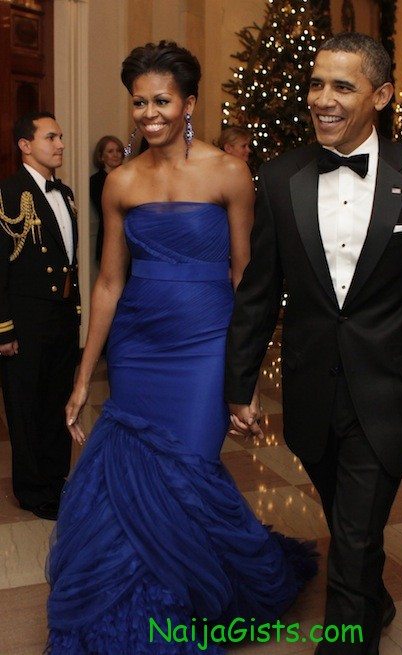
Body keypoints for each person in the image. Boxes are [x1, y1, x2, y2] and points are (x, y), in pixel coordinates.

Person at [46, 41, 316, 654]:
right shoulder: (120, 181)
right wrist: (86, 377)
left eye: (162, 100)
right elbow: (110, 282)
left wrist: (244, 378)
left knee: (185, 473)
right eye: (139, 102)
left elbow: (244, 277)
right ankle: (137, 620)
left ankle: (192, 602)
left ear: (189, 102)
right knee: (128, 480)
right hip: (138, 344)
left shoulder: (227, 171)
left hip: (205, 344)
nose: (149, 113)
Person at [225, 32, 402, 655]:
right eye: (317, 84)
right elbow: (259, 292)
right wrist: (239, 386)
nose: (323, 98)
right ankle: (372, 593)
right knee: (350, 522)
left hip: (389, 389)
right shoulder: (279, 176)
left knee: (355, 535)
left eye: (342, 86)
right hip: (313, 388)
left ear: (381, 95)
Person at [0, 111, 80, 521]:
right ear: (25, 145)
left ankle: (56, 481)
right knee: (26, 406)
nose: (61, 144)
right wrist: (3, 328)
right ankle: (33, 491)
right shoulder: (8, 194)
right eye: (51, 137)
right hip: (26, 323)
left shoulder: (64, 193)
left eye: (62, 136)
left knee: (57, 403)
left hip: (63, 318)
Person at [90, 135, 124, 261]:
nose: (116, 155)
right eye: (110, 151)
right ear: (101, 157)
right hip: (109, 235)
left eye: (118, 150)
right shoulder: (96, 181)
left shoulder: (129, 177)